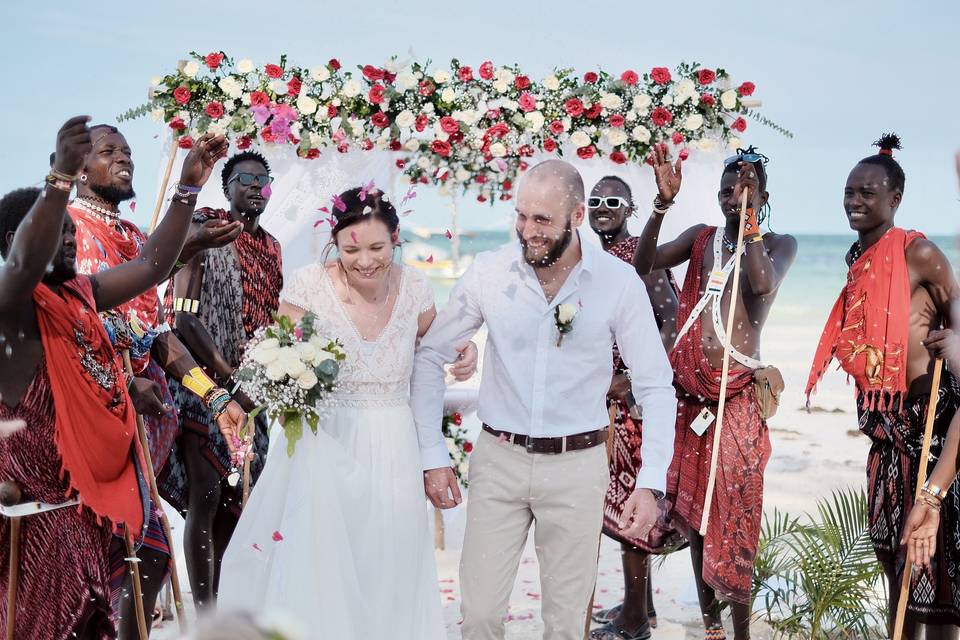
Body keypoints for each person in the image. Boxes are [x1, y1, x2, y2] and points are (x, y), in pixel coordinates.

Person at [412, 159, 678, 640]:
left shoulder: (618, 283)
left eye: (542, 220)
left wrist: (651, 480)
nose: (527, 231)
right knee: (480, 616)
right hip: (498, 461)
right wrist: (433, 455)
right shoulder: (490, 273)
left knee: (565, 622)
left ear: (577, 216)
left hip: (578, 468)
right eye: (521, 216)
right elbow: (430, 355)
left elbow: (656, 384)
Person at [0, 118, 227, 639]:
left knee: (127, 584)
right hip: (38, 515)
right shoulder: (13, 304)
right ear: (18, 241)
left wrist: (188, 186)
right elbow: (22, 266)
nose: (71, 242)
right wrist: (60, 175)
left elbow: (150, 265)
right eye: (60, 234)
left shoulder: (80, 293)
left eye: (73, 234)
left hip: (91, 505)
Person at [217, 186, 477, 637]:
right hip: (325, 440)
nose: (365, 260)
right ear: (334, 243)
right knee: (323, 562)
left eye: (377, 247)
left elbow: (434, 347)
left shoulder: (415, 286)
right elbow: (279, 359)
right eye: (350, 249)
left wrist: (467, 347)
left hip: (395, 440)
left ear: (396, 238)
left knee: (390, 558)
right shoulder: (307, 285)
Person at [67, 124, 246, 637]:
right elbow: (78, 328)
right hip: (92, 428)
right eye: (108, 152)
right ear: (79, 168)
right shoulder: (70, 227)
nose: (123, 158)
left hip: (142, 424)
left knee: (148, 556)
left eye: (126, 151)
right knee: (109, 563)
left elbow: (157, 333)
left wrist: (213, 396)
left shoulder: (130, 235)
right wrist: (121, 389)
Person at [634, 144, 797, 639]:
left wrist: (749, 222)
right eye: (727, 190)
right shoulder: (701, 239)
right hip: (692, 400)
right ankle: (712, 631)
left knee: (735, 521)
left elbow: (761, 284)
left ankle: (742, 633)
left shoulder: (778, 244)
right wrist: (661, 206)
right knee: (696, 522)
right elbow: (643, 263)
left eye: (745, 190)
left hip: (739, 399)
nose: (733, 197)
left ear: (763, 196)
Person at [807, 135, 960, 638]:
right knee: (893, 563)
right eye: (849, 192)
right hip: (886, 437)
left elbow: (955, 320)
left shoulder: (919, 253)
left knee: (935, 574)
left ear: (894, 199)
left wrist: (952, 338)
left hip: (930, 426)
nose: (854, 201)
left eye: (867, 192)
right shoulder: (859, 258)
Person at [158, 150, 283, 609]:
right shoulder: (203, 233)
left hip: (252, 389)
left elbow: (270, 321)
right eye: (244, 179)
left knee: (241, 497)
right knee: (205, 496)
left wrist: (264, 379)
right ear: (226, 189)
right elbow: (182, 319)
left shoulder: (272, 249)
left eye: (262, 179)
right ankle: (207, 613)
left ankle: (232, 602)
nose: (254, 185)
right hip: (201, 385)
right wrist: (229, 379)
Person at [586, 175, 682, 639]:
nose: (602, 208)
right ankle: (638, 605)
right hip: (603, 399)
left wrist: (633, 376)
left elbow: (672, 319)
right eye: (595, 202)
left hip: (633, 404)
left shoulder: (640, 257)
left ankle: (635, 621)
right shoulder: (592, 258)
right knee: (614, 504)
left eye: (613, 202)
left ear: (630, 209)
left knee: (631, 507)